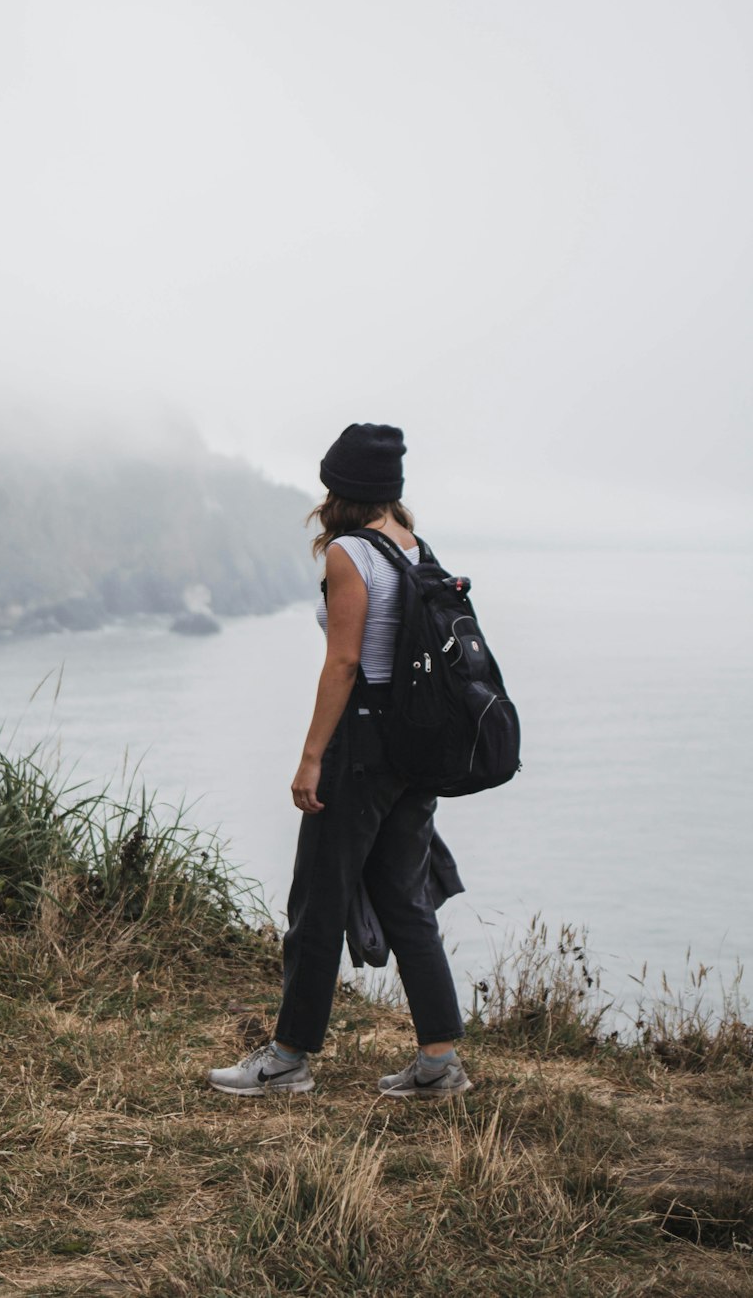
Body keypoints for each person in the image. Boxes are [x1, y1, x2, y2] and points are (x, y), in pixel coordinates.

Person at [208, 423, 470, 1099]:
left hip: (363, 741)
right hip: (416, 747)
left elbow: (346, 661)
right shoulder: (415, 546)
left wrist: (310, 759)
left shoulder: (351, 555)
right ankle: (439, 1061)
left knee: (318, 902)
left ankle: (289, 1058)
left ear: (340, 489)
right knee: (407, 902)